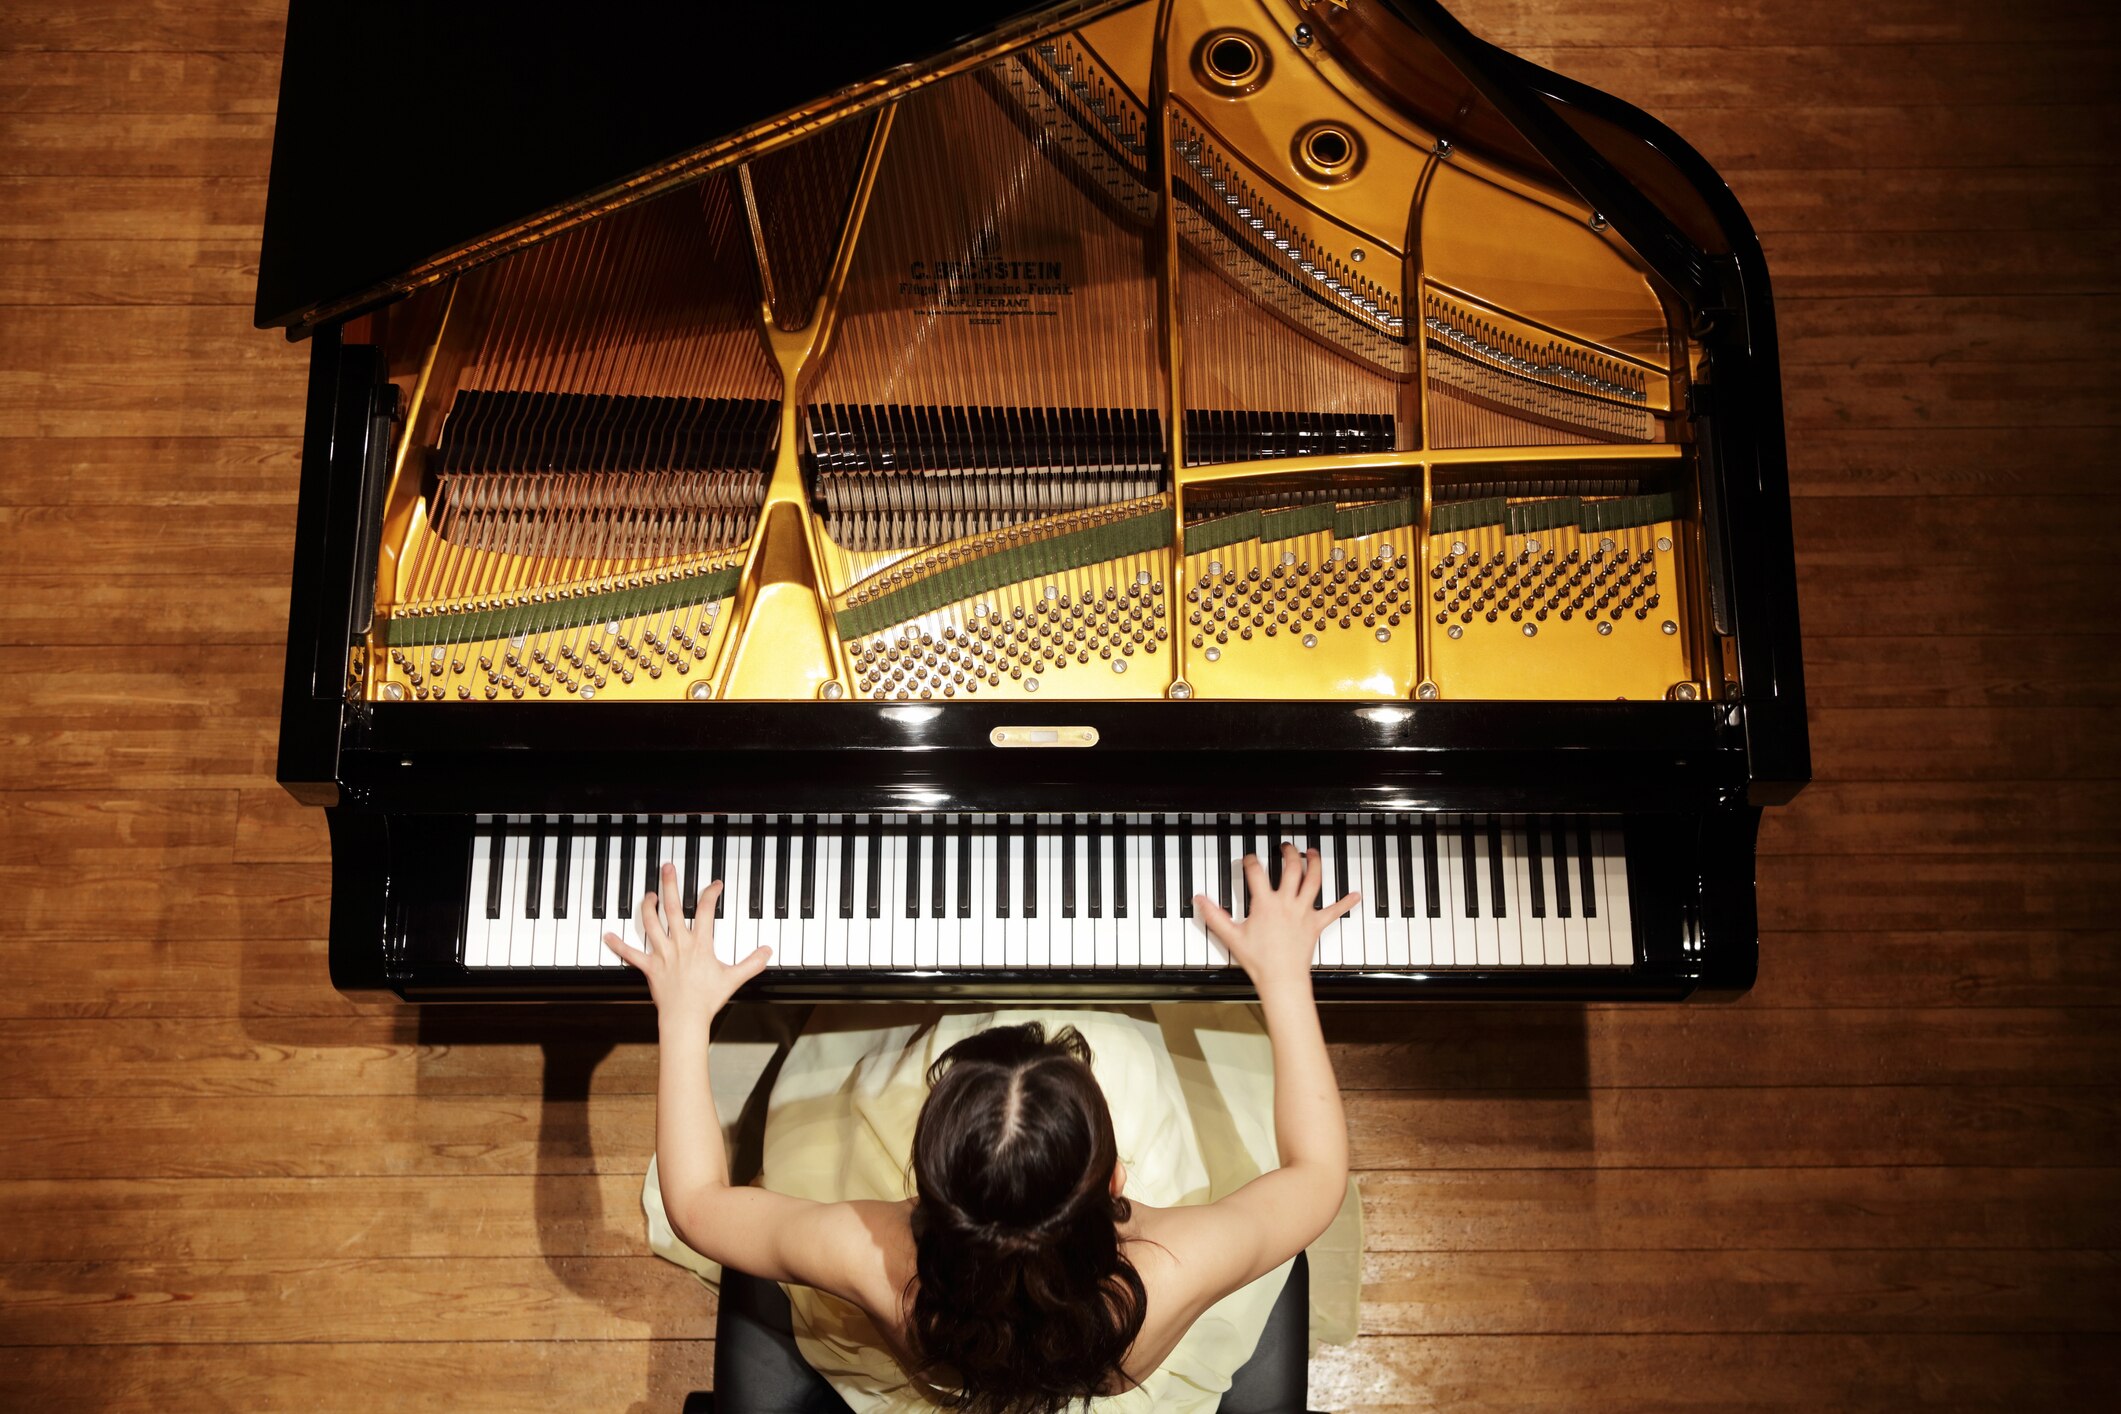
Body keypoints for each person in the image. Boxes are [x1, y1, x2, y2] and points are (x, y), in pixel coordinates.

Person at [606, 843, 1361, 1413]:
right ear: (1115, 1179)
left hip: (960, 1375)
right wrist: (1284, 975)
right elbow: (1317, 1175)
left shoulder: (879, 1262)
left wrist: (684, 1015)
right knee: (1130, 1051)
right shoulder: (1170, 1271)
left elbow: (697, 1205)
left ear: (923, 1182)